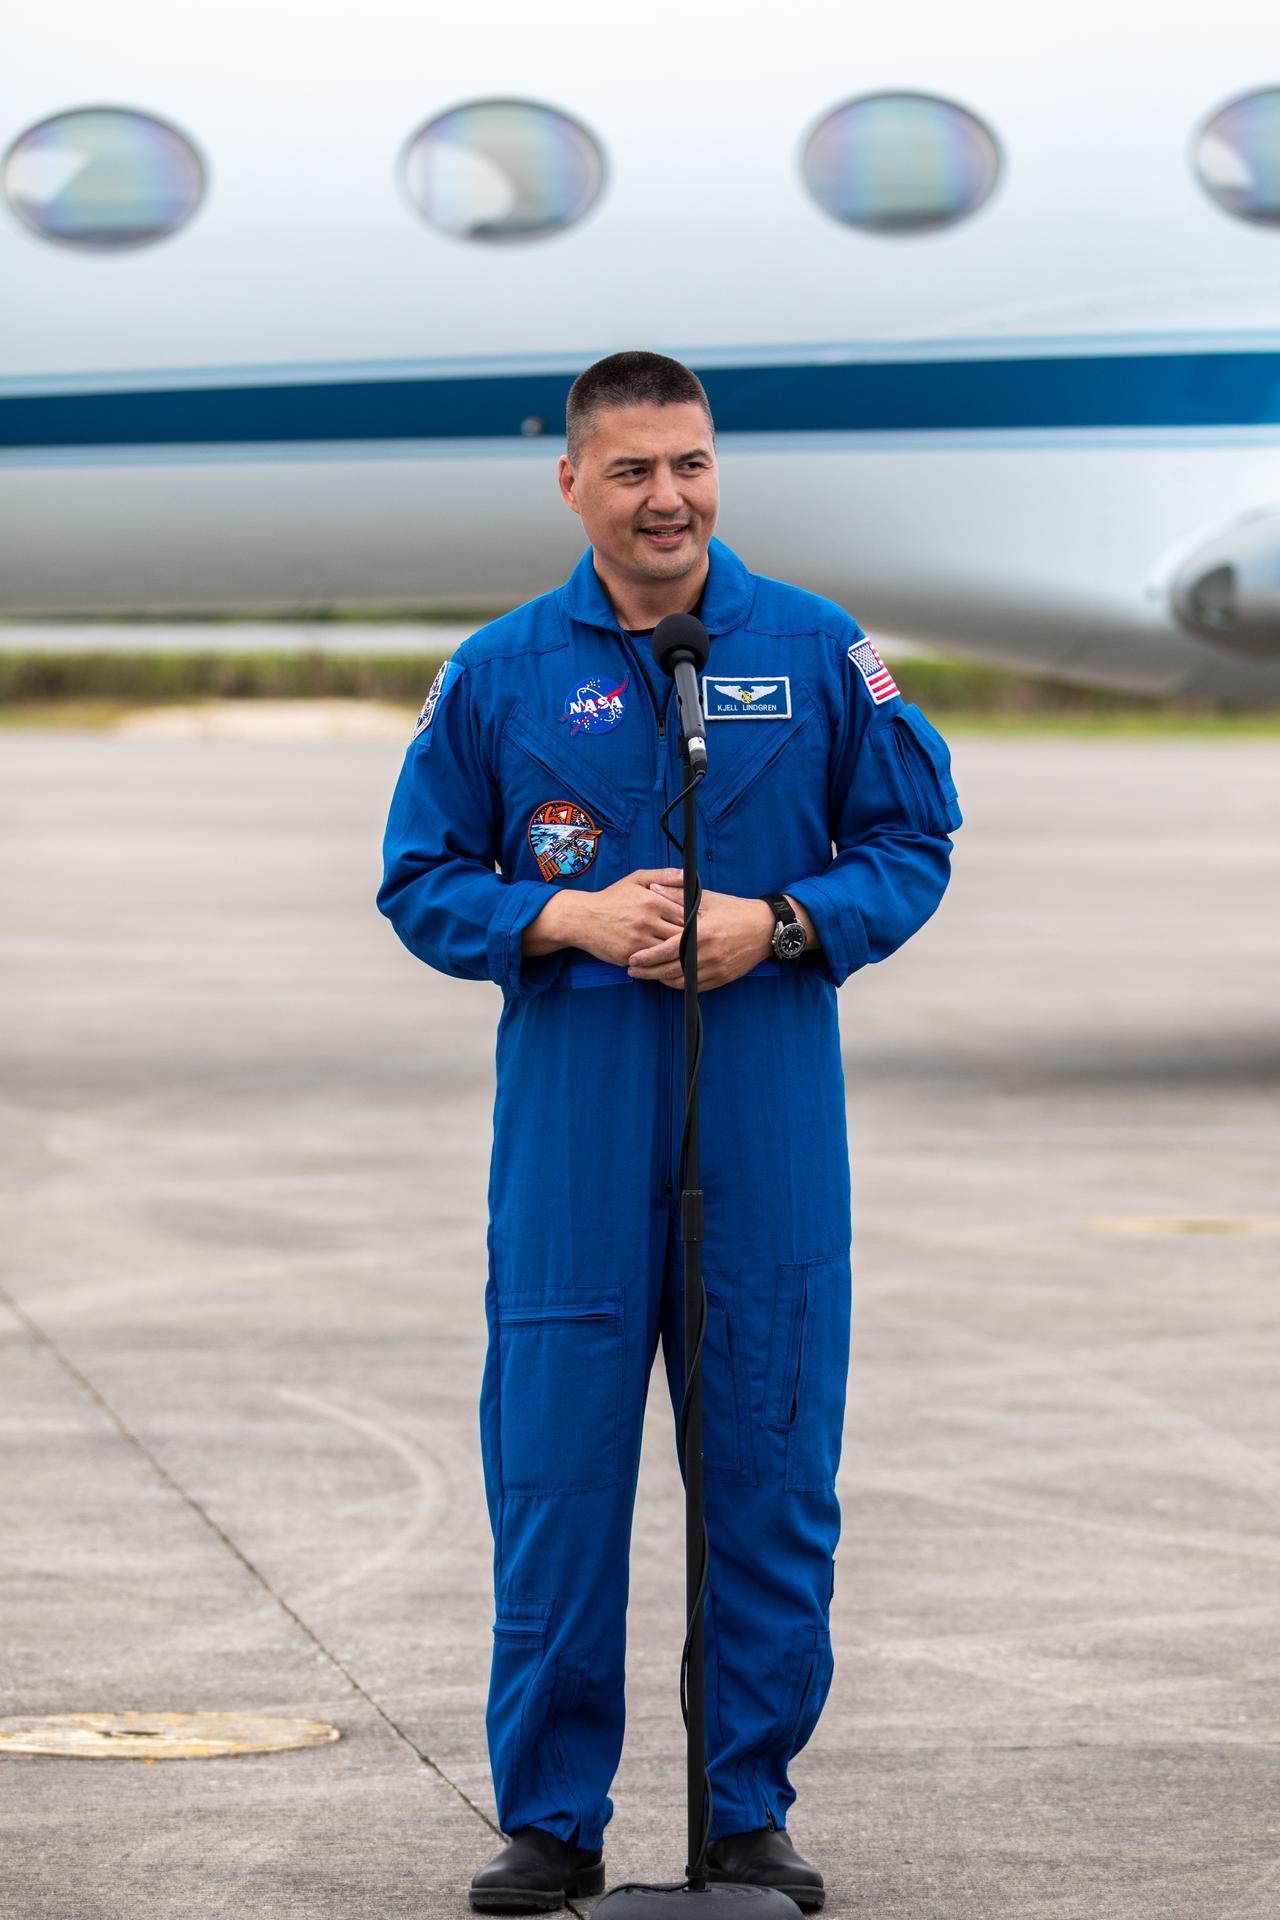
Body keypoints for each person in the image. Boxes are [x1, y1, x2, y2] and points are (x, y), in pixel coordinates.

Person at [377, 351, 962, 1915]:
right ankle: (552, 1821)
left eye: (690, 464)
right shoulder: (499, 671)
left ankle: (745, 1813)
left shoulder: (818, 649)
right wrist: (561, 914)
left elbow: (911, 844)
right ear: (572, 481)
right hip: (574, 1133)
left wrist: (778, 925)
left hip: (768, 1117)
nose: (667, 498)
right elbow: (420, 879)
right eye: (632, 469)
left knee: (770, 1469)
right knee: (557, 1479)